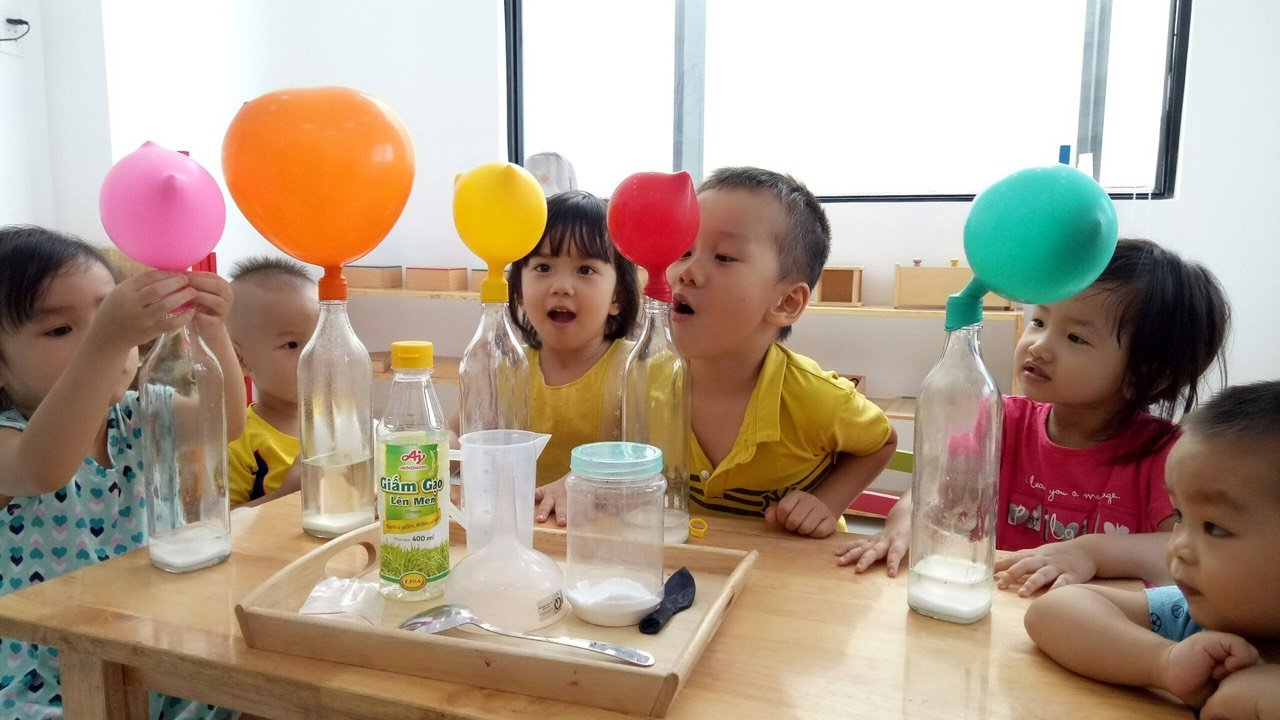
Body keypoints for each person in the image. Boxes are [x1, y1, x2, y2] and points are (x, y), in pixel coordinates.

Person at [839, 238, 1229, 576]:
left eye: (1075, 337)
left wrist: (1092, 553)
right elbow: (931, 492)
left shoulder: (1167, 455)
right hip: (996, 606)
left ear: (1145, 375)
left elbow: (1189, 551)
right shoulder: (1001, 420)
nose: (1038, 346)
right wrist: (903, 523)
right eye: (1040, 321)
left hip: (1092, 623)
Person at [0, 225, 244, 719]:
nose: (104, 337)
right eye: (59, 330)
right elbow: (43, 469)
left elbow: (225, 421)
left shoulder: (136, 413)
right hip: (47, 686)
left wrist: (210, 329)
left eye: (106, 314)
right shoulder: (11, 438)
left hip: (146, 655)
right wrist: (107, 339)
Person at [662, 167, 896, 538]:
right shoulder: (648, 383)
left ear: (786, 302)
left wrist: (827, 502)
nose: (686, 272)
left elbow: (883, 441)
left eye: (723, 256)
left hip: (793, 565)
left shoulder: (817, 400)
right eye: (684, 251)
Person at [1023, 381, 1280, 713]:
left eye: (1214, 527)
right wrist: (1164, 661)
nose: (1178, 546)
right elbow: (1052, 612)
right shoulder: (1193, 620)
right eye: (1179, 516)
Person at [449, 190, 639, 504]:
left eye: (585, 270)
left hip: (598, 527)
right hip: (519, 526)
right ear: (519, 291)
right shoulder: (506, 368)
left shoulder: (635, 368)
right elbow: (455, 433)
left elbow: (646, 456)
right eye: (543, 267)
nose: (561, 286)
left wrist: (584, 482)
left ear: (617, 296)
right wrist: (441, 450)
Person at [226, 256, 319, 507]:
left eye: (319, 340)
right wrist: (283, 494)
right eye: (292, 345)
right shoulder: (238, 440)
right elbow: (222, 521)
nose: (313, 356)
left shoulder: (338, 421)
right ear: (240, 359)